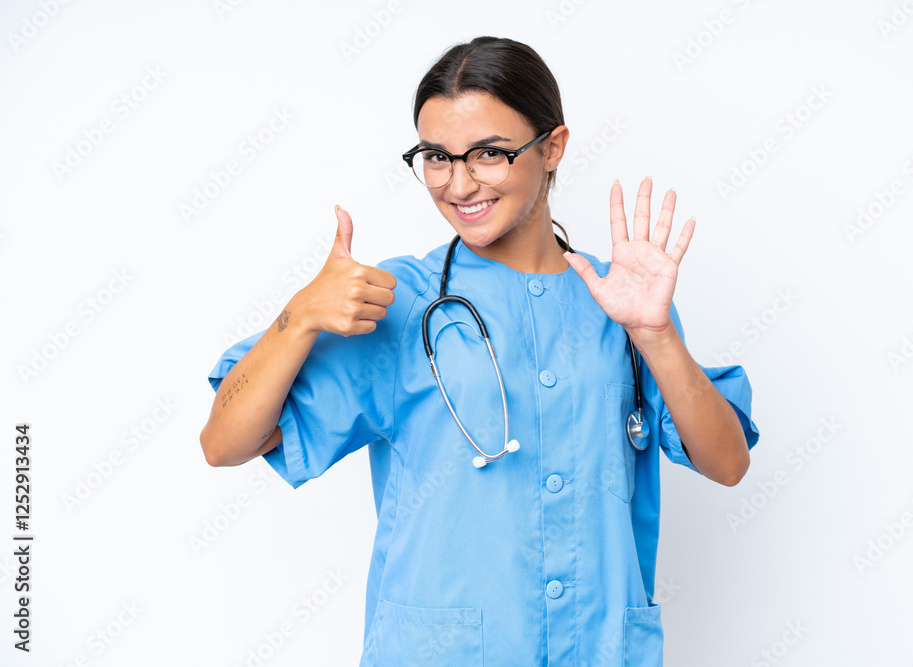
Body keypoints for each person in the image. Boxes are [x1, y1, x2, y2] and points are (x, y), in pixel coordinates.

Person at [201, 35, 760, 667]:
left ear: (553, 147)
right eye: (437, 157)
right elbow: (225, 443)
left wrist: (655, 336)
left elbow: (727, 462)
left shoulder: (623, 302)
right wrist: (297, 317)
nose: (458, 183)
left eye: (489, 153)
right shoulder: (401, 302)